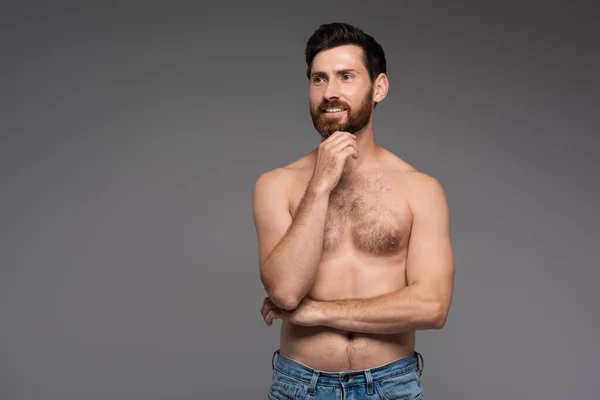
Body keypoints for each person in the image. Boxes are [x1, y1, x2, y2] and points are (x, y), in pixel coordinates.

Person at [252, 22, 455, 399]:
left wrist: (319, 313)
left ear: (378, 87)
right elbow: (284, 290)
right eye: (319, 79)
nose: (330, 93)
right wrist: (321, 184)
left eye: (346, 77)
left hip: (391, 386)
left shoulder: (421, 189)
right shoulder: (276, 184)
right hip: (300, 386)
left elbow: (432, 305)